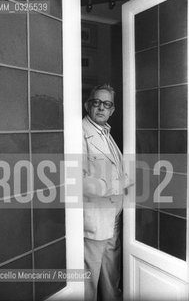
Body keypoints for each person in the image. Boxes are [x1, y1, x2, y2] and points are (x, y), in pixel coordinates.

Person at [83, 84, 130, 301]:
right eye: (97, 102)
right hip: (95, 218)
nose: (101, 108)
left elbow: (117, 170)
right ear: (88, 105)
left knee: (111, 274)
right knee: (88, 281)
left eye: (107, 104)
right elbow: (75, 180)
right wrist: (113, 186)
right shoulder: (80, 133)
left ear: (112, 110)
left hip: (114, 216)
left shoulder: (107, 133)